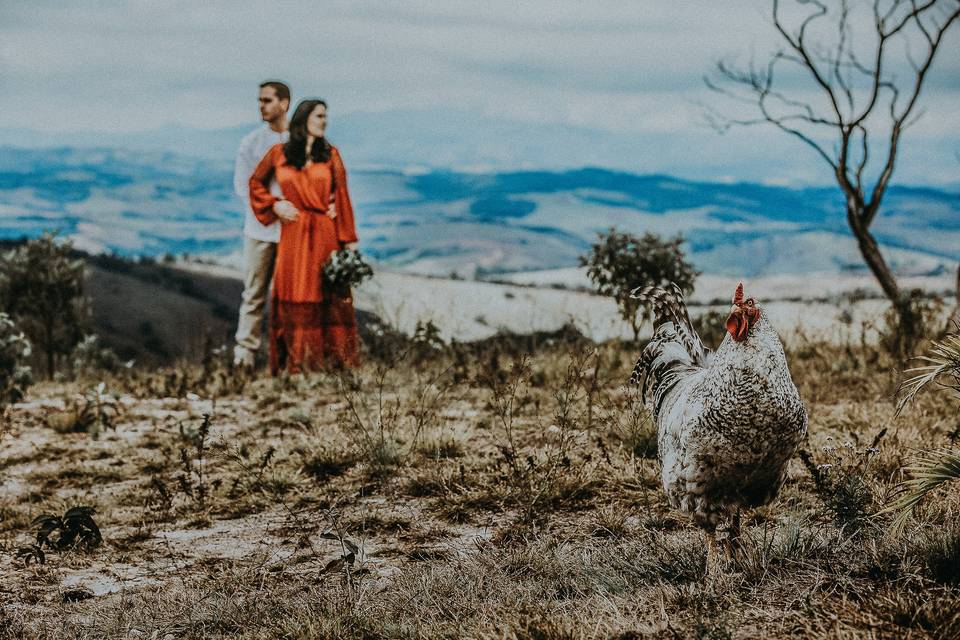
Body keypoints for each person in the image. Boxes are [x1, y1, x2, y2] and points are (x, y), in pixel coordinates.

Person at [248, 99, 360, 374]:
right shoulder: (278, 153)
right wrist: (275, 205)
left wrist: (348, 243)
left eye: (325, 116)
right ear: (304, 119)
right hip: (294, 233)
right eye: (320, 116)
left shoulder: (331, 155)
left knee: (328, 294)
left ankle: (333, 364)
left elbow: (343, 198)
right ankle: (297, 363)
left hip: (324, 232)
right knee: (294, 292)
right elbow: (255, 183)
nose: (325, 121)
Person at [232, 80, 291, 368]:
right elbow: (243, 186)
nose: (261, 106)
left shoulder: (299, 140)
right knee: (254, 293)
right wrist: (271, 207)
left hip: (292, 232)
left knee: (288, 296)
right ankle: (245, 356)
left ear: (284, 103)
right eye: (260, 100)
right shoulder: (251, 143)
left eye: (267, 100)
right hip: (259, 230)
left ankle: (284, 357)